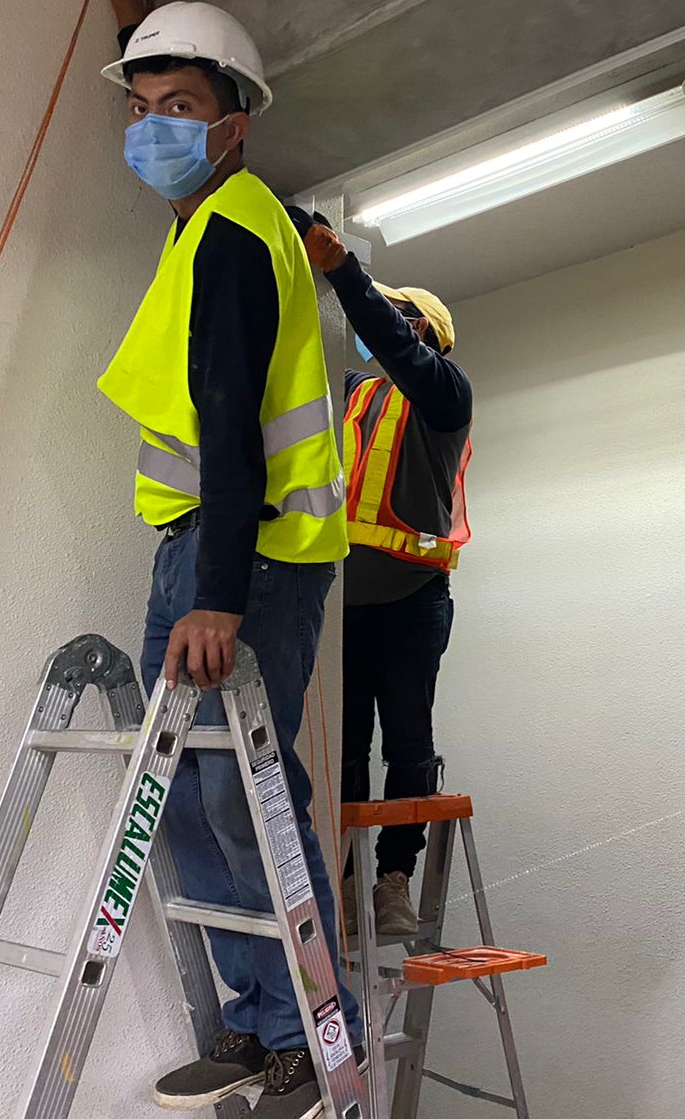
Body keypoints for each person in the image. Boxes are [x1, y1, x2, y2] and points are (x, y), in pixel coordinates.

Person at [98, 0, 362, 1116]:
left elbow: (229, 419)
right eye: (140, 106)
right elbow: (171, 83)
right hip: (204, 550)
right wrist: (138, 19)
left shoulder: (239, 231)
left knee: (239, 798)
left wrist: (214, 595)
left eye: (181, 109)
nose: (153, 126)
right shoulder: (206, 220)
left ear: (234, 128)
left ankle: (310, 1029)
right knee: (185, 797)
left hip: (250, 558)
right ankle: (256, 1026)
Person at [295, 217, 472, 937]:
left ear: (421, 330)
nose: (373, 328)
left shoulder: (444, 395)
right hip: (343, 604)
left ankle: (393, 879)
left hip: (410, 600)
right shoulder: (351, 395)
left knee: (407, 743)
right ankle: (340, 880)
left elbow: (389, 340)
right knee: (344, 750)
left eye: (395, 314)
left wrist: (346, 272)